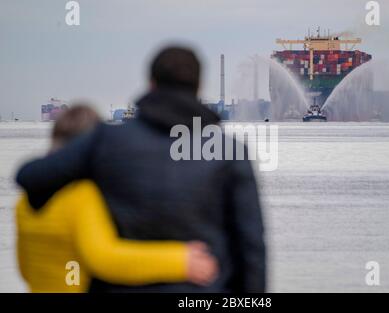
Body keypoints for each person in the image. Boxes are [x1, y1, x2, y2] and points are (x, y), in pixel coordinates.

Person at [16, 46, 266, 292]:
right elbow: (251, 248)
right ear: (199, 86)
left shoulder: (105, 140)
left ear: (151, 84)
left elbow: (30, 177)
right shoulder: (230, 152)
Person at [16, 105, 218, 292]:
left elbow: (24, 268)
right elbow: (104, 258)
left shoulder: (24, 202)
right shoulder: (81, 196)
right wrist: (179, 260)